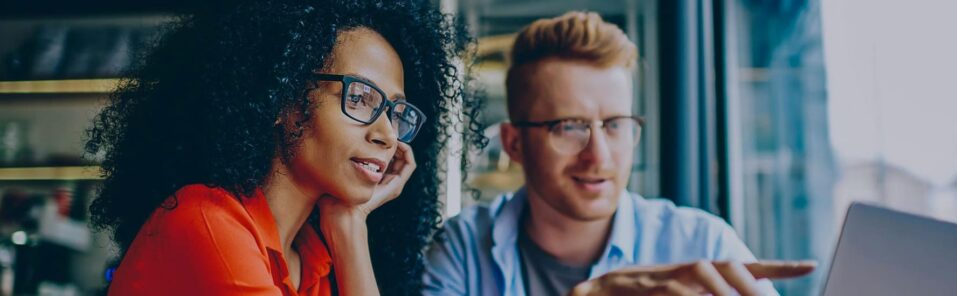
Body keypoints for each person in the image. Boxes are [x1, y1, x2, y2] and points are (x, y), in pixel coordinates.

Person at [86, 0, 482, 294]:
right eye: (360, 98)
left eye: (396, 112)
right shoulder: (206, 223)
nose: (388, 135)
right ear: (284, 102)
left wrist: (350, 226)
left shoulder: (310, 262)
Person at [422, 11, 813, 296]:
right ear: (514, 144)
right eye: (569, 126)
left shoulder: (702, 245)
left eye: (615, 124)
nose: (599, 156)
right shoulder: (464, 248)